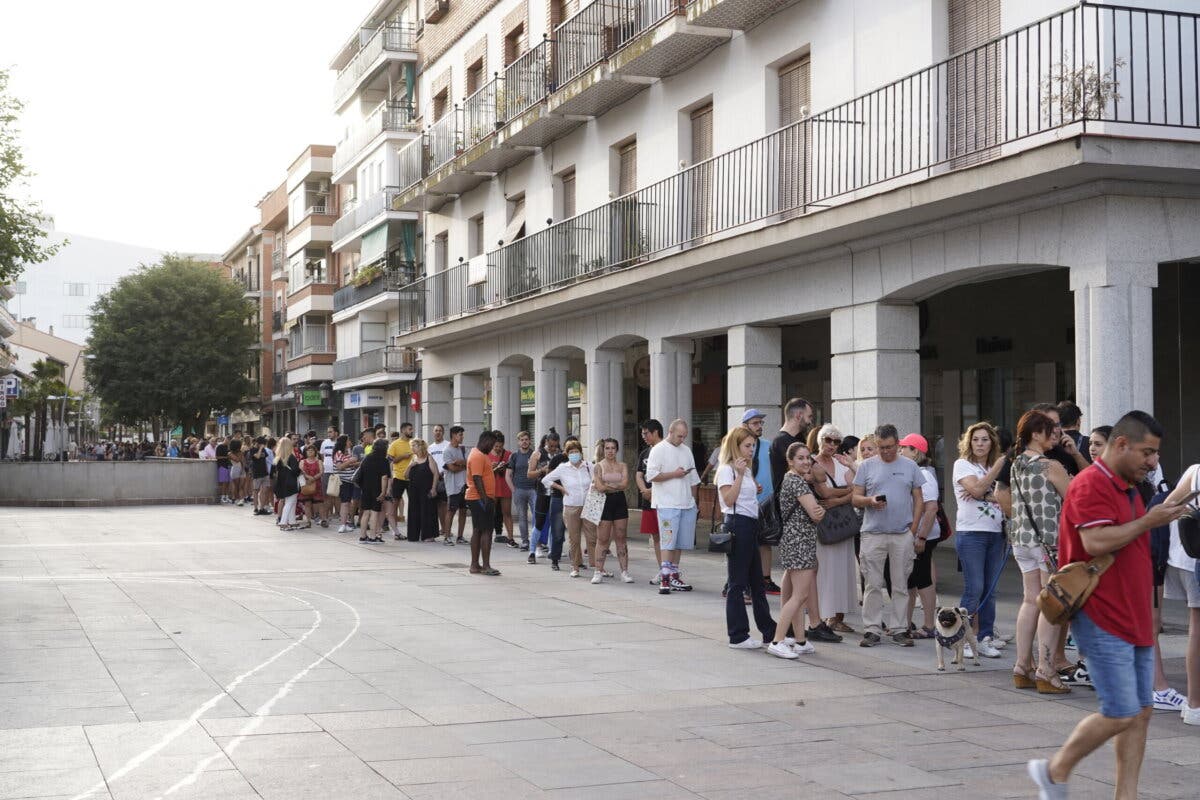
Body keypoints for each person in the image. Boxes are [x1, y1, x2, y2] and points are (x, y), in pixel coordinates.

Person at [1028, 411, 1190, 800]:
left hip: (1133, 615)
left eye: (1155, 454)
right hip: (1102, 615)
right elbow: (1096, 543)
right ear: (1121, 445)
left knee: (1141, 711)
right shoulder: (1090, 485)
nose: (1153, 462)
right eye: (1146, 453)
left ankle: (1126, 796)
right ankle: (1054, 770)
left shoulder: (1131, 487)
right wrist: (1150, 521)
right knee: (1121, 710)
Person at [1009, 410, 1074, 691]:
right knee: (1051, 605)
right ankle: (1046, 670)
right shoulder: (1051, 465)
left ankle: (1022, 665)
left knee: (1030, 600)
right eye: (1051, 430)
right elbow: (1074, 498)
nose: (1056, 435)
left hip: (1022, 539)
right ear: (1036, 434)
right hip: (1048, 541)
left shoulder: (1016, 464)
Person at [852, 424, 924, 648]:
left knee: (901, 583)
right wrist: (870, 501)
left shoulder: (910, 466)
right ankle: (872, 629)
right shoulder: (866, 466)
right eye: (881, 447)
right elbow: (855, 498)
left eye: (890, 447)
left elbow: (919, 499)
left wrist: (913, 530)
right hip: (873, 533)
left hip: (901, 533)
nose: (886, 452)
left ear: (898, 443)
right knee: (872, 584)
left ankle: (901, 628)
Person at [716, 425, 777, 650]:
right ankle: (738, 635)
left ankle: (768, 630)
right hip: (738, 524)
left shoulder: (745, 469)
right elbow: (729, 500)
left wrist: (751, 484)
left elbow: (743, 496)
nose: (751, 450)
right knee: (737, 583)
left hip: (750, 524)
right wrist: (741, 477)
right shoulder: (727, 469)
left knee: (756, 582)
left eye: (753, 446)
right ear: (736, 446)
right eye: (747, 446)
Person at [952, 421, 1008, 657]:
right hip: (971, 533)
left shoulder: (993, 469)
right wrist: (996, 470)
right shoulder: (962, 464)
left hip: (996, 533)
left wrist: (986, 493)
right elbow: (975, 491)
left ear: (992, 442)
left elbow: (1005, 498)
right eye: (975, 439)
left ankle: (985, 637)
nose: (980, 443)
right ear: (969, 442)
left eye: (985, 439)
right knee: (974, 587)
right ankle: (963, 639)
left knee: (990, 589)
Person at [766, 442, 827, 658]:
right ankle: (777, 640)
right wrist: (820, 511)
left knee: (796, 595)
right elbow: (815, 513)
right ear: (790, 461)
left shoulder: (789, 479)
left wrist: (818, 510)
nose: (806, 461)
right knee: (800, 596)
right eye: (800, 458)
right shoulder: (798, 483)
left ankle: (800, 641)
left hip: (794, 542)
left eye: (808, 457)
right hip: (800, 543)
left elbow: (815, 510)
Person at [1157, 463, 1200, 722]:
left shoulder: (1196, 471)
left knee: (1196, 627)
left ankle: (1194, 704)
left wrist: (1188, 512)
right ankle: (1195, 704)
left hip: (1192, 559)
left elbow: (1166, 508)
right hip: (1195, 562)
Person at [809, 422, 857, 639]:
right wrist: (844, 493)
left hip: (841, 525)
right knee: (825, 570)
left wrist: (839, 498)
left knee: (843, 570)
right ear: (820, 440)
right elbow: (824, 493)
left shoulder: (842, 463)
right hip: (822, 525)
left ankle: (837, 618)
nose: (832, 445)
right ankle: (822, 616)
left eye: (836, 441)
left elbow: (855, 491)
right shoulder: (810, 462)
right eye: (828, 440)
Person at [646, 419, 701, 595]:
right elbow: (652, 476)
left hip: (686, 503)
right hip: (667, 503)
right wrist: (674, 474)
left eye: (684, 436)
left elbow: (693, 479)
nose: (682, 439)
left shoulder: (686, 451)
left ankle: (674, 574)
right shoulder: (658, 450)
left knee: (679, 543)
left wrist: (694, 502)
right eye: (679, 436)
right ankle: (664, 577)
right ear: (670, 432)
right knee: (668, 541)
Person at [898, 434, 942, 641]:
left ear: (916, 451)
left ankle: (928, 625)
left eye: (904, 448)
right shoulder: (917, 472)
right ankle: (905, 624)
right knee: (912, 580)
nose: (900, 451)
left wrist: (921, 537)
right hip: (916, 535)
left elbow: (931, 508)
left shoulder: (924, 474)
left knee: (922, 579)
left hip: (922, 537)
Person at [542, 439, 597, 578]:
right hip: (571, 506)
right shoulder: (563, 468)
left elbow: (597, 479)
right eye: (571, 452)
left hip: (588, 505)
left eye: (576, 451)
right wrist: (560, 487)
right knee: (574, 538)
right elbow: (546, 480)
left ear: (581, 452)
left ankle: (596, 566)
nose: (574, 454)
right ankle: (575, 566)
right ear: (567, 454)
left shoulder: (588, 466)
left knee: (592, 537)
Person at [739, 409, 779, 595]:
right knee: (746, 544)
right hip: (746, 503)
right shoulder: (738, 446)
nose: (759, 426)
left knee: (765, 542)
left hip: (766, 501)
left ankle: (766, 579)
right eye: (755, 423)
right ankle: (742, 581)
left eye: (761, 423)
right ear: (745, 425)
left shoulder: (767, 445)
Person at [591, 438, 633, 584]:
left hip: (620, 502)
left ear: (617, 450)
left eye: (613, 448)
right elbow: (600, 487)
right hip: (604, 502)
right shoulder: (598, 466)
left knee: (621, 537)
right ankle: (598, 571)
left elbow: (625, 484)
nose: (610, 451)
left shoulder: (623, 466)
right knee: (602, 538)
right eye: (607, 448)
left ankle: (624, 571)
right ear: (603, 450)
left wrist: (608, 484)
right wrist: (615, 485)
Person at [465, 430, 500, 576]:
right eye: (491, 444)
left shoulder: (480, 455)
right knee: (486, 531)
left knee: (479, 530)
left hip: (480, 498)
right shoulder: (478, 455)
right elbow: (477, 478)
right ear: (485, 441)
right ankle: (485, 565)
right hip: (480, 498)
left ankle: (476, 565)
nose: (492, 447)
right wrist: (485, 499)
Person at [636, 420, 664, 581]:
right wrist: (644, 491)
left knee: (666, 535)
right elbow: (639, 474)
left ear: (655, 432)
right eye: (642, 433)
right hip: (648, 501)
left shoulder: (666, 451)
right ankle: (662, 569)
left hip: (664, 501)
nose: (644, 436)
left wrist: (653, 491)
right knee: (655, 536)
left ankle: (670, 569)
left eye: (646, 433)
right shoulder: (644, 453)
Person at [356, 439, 391, 543]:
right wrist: (383, 492)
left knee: (366, 512)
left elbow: (360, 475)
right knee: (375, 512)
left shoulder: (367, 458)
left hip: (366, 488)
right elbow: (384, 477)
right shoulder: (384, 460)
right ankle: (372, 536)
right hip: (377, 489)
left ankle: (362, 536)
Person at [406, 438, 440, 542]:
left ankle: (429, 535)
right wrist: (410, 466)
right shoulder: (413, 459)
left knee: (428, 511)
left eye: (414, 446)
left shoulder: (429, 458)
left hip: (426, 489)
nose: (412, 448)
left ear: (420, 447)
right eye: (411, 446)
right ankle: (413, 535)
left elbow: (436, 474)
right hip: (414, 490)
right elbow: (406, 476)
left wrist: (433, 488)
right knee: (414, 511)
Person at [509, 431, 537, 550]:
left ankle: (536, 542)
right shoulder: (514, 456)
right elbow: (508, 474)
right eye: (522, 440)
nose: (524, 442)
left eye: (526, 439)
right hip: (519, 489)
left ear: (530, 441)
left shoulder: (535, 454)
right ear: (518, 442)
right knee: (522, 517)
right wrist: (513, 490)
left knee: (536, 516)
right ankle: (525, 541)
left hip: (533, 490)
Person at [441, 426, 468, 545]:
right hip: (452, 486)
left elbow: (468, 463)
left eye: (462, 434)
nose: (462, 437)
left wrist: (459, 462)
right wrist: (460, 465)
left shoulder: (462, 449)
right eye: (460, 435)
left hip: (464, 484)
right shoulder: (447, 451)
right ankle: (447, 536)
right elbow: (452, 468)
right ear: (453, 436)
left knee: (463, 511)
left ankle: (460, 536)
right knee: (451, 511)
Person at [489, 431, 517, 547]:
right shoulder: (486, 455)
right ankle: (487, 536)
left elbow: (513, 471)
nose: (498, 448)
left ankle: (510, 538)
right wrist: (492, 467)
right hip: (492, 487)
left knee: (507, 513)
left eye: (500, 446)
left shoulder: (509, 454)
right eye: (496, 446)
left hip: (505, 487)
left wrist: (503, 467)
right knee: (490, 513)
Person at [386, 422, 415, 534]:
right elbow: (390, 461)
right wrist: (402, 456)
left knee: (413, 503)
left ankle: (412, 529)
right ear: (403, 430)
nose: (411, 431)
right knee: (395, 503)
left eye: (412, 429)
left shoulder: (414, 443)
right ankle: (395, 528)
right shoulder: (395, 444)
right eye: (409, 429)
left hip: (412, 478)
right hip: (398, 477)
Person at [333, 434, 361, 533]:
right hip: (343, 481)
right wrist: (350, 461)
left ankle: (345, 523)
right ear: (344, 442)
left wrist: (356, 463)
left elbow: (350, 465)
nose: (351, 443)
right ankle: (343, 524)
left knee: (348, 503)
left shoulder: (347, 453)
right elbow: (339, 467)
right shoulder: (339, 453)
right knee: (345, 503)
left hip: (350, 481)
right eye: (349, 441)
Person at [273, 436, 301, 531]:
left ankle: (292, 521)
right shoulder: (291, 457)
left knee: (291, 502)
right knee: (290, 502)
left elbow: (273, 472)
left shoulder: (278, 458)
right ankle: (283, 523)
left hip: (281, 483)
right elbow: (295, 470)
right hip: (291, 482)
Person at [298, 444, 325, 528]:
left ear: (315, 452)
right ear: (305, 452)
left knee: (320, 503)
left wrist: (313, 478)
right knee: (307, 503)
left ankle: (323, 519)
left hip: (317, 484)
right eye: (308, 450)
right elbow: (301, 471)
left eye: (312, 450)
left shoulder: (319, 461)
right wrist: (308, 477)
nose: (310, 451)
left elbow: (321, 472)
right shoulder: (302, 461)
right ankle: (308, 520)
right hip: (306, 484)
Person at [248, 436, 271, 516]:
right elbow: (257, 457)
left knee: (264, 491)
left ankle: (262, 508)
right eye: (262, 444)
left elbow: (265, 457)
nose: (264, 446)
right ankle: (255, 508)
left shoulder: (264, 449)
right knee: (256, 491)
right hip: (257, 473)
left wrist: (262, 449)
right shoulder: (252, 449)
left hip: (265, 473)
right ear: (258, 443)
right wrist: (260, 449)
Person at [320, 426, 339, 524]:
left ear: (336, 432)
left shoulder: (340, 442)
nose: (329, 434)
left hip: (337, 472)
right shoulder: (324, 442)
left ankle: (338, 514)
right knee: (326, 494)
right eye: (328, 432)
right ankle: (325, 516)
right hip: (326, 471)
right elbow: (322, 455)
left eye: (331, 432)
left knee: (337, 494)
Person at [215, 437, 232, 503]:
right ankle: (222, 497)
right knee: (224, 482)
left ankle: (227, 496)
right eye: (228, 440)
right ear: (225, 440)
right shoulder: (220, 447)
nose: (229, 442)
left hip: (228, 466)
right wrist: (226, 457)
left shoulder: (229, 447)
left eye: (230, 441)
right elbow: (217, 457)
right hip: (222, 466)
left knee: (228, 482)